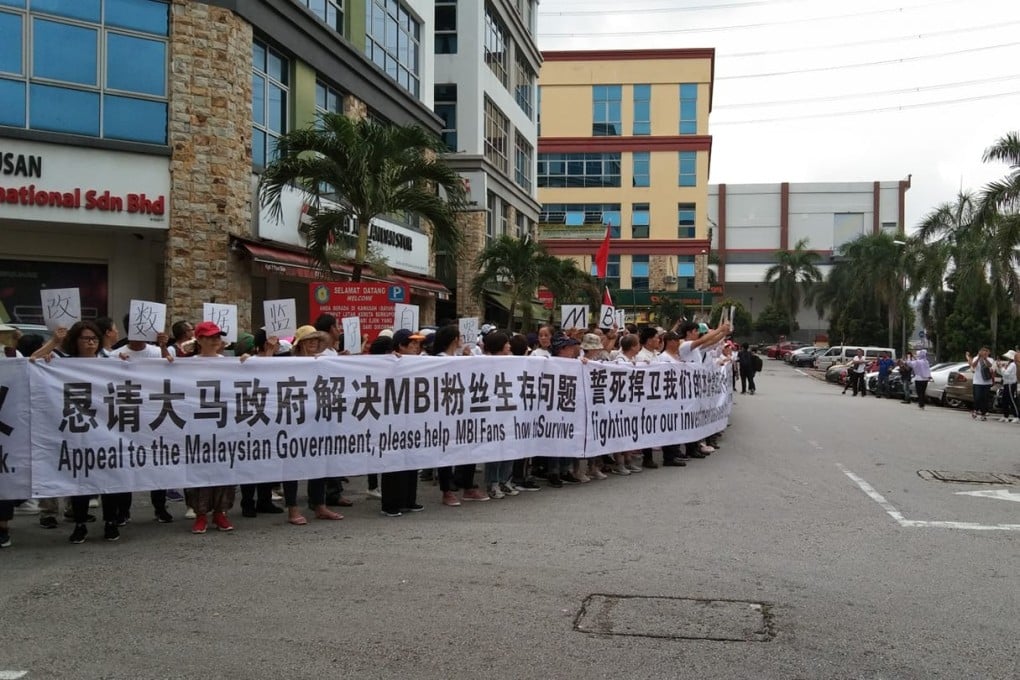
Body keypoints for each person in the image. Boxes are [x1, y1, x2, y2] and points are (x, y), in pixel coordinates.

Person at [31, 321, 126, 543]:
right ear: (75, 341)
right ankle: (80, 524)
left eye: (94, 338)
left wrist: (124, 361)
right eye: (85, 338)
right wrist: (54, 342)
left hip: (106, 429)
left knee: (109, 478)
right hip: (77, 429)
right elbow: (33, 360)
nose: (91, 342)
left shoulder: (109, 360)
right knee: (81, 479)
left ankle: (110, 522)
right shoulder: (62, 361)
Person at [185, 321, 239, 533]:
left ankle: (220, 512)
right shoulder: (187, 365)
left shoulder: (229, 363)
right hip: (198, 424)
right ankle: (200, 514)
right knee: (199, 469)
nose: (216, 340)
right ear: (199, 339)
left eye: (218, 336)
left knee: (223, 468)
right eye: (210, 337)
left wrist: (247, 363)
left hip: (223, 424)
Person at [380, 329, 425, 516]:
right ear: (400, 346)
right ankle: (390, 504)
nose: (416, 346)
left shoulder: (419, 362)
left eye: (417, 343)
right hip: (392, 418)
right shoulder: (388, 361)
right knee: (393, 459)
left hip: (412, 417)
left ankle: (408, 499)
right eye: (412, 343)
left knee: (411, 457)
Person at [966, 347, 995, 420]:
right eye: (983, 351)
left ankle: (983, 414)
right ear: (980, 352)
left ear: (988, 352)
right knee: (977, 397)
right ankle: (975, 410)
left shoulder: (990, 359)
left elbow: (990, 365)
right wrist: (979, 358)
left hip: (986, 382)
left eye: (986, 351)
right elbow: (973, 365)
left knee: (985, 399)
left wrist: (985, 359)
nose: (984, 352)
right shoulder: (976, 358)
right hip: (977, 382)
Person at [998, 350, 1019, 423]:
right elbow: (1002, 373)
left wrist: (1001, 367)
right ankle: (1005, 416)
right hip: (1006, 384)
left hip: (1011, 384)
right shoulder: (1009, 364)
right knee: (1005, 400)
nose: (1007, 358)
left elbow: (1006, 374)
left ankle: (1016, 416)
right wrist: (1000, 367)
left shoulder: (1013, 364)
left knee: (1012, 400)